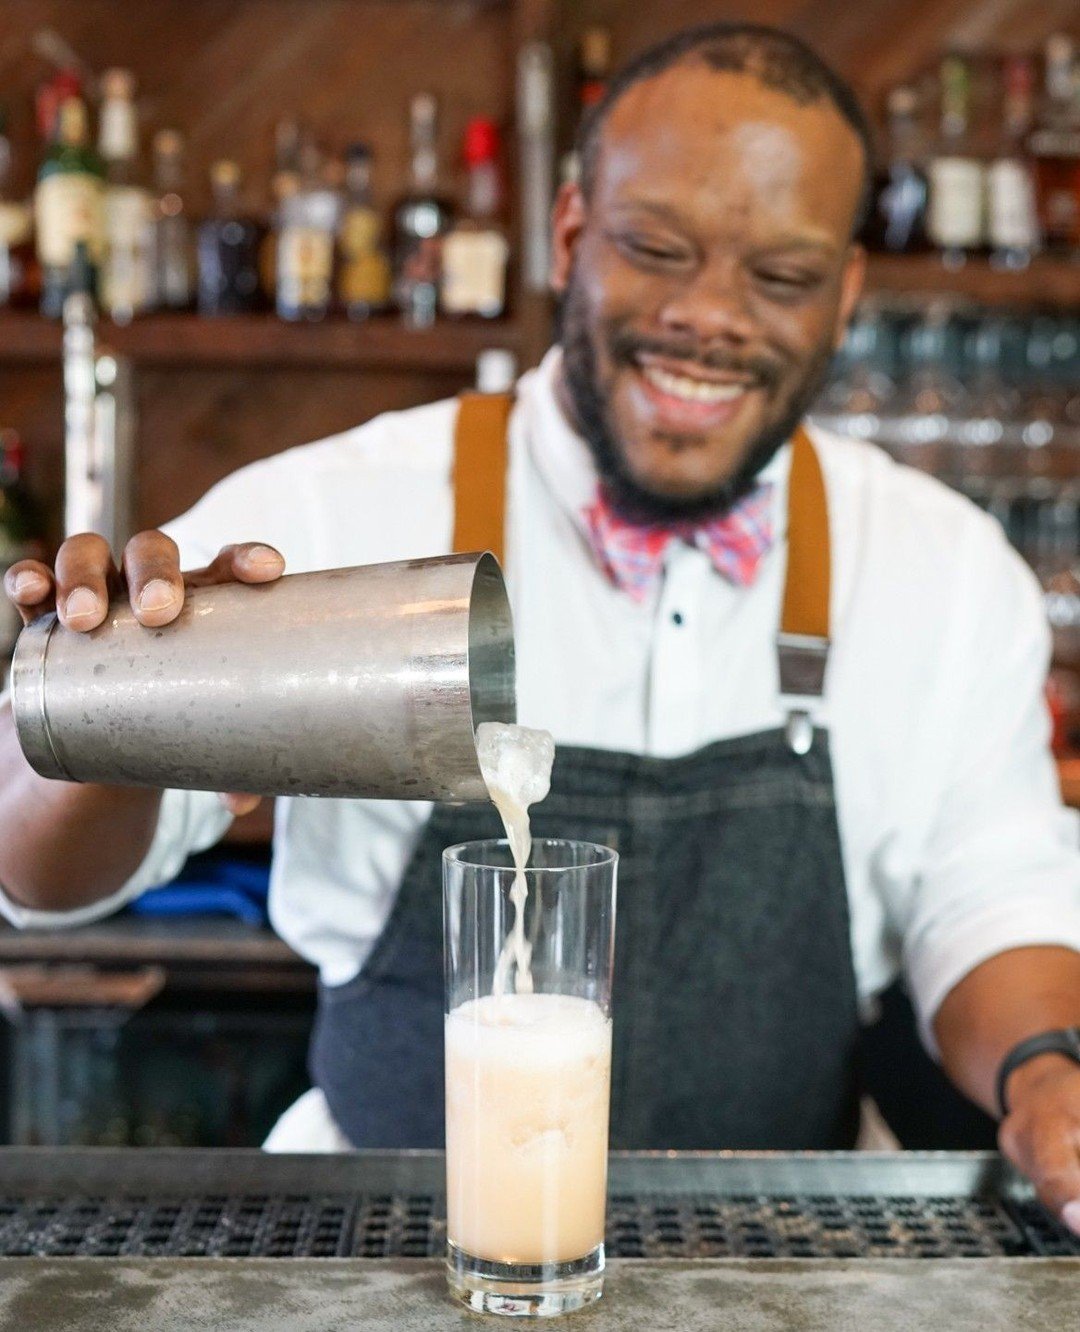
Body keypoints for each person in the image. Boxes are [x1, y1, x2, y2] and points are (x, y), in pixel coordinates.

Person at [3, 23, 1080, 1229]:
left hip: (795, 1240)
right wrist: (96, 705)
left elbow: (991, 894)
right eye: (657, 249)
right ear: (570, 233)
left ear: (845, 297)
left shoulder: (940, 564)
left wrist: (1049, 1075)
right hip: (378, 1235)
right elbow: (34, 876)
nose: (710, 316)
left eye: (779, 277)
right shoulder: (324, 514)